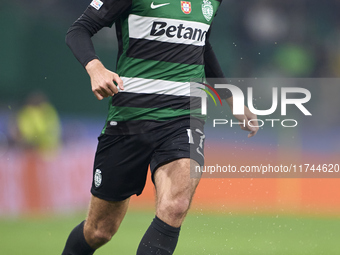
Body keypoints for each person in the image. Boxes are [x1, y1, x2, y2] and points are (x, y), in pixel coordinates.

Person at [62, 0, 258, 254]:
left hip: (184, 116)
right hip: (130, 118)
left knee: (176, 205)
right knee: (99, 231)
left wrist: (231, 98)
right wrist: (95, 67)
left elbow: (201, 45)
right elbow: (78, 30)